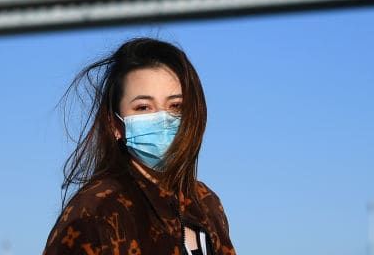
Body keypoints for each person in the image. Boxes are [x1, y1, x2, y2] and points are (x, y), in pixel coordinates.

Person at [43, 37, 236, 255]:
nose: (162, 119)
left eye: (175, 106)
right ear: (115, 125)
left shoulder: (206, 203)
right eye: (143, 107)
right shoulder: (95, 211)